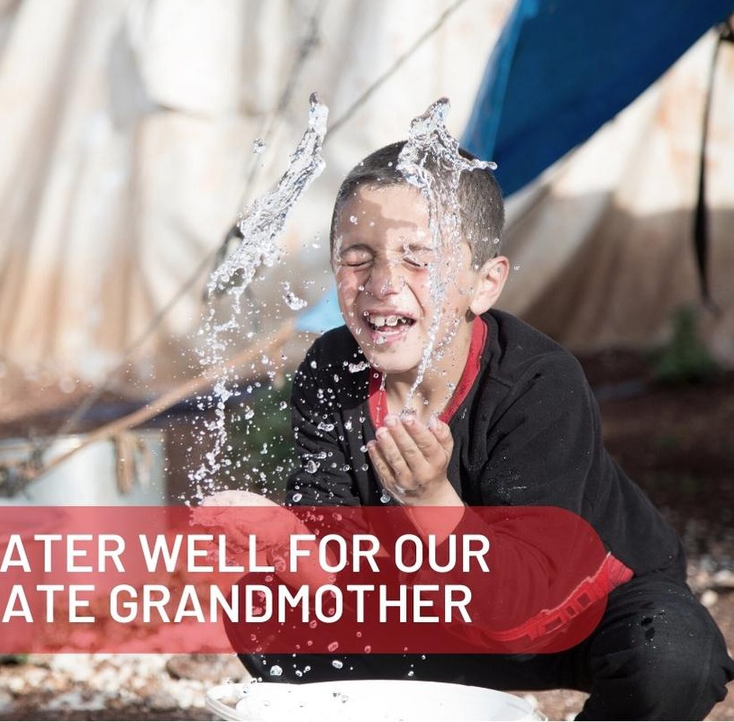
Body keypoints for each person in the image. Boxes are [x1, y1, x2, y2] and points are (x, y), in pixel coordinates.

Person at [207, 139, 734, 720]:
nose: (383, 283)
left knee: (677, 658)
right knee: (266, 609)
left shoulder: (538, 384)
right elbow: (333, 566)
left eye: (418, 257)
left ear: (484, 284)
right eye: (358, 256)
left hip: (579, 609)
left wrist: (430, 499)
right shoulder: (334, 371)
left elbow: (524, 591)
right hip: (438, 618)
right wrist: (289, 542)